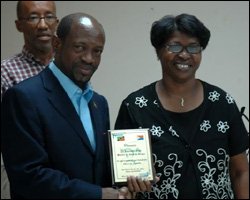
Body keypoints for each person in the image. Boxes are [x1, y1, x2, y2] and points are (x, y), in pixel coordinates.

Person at [1, 12, 152, 199]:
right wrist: (97, 195)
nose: (89, 58)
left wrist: (129, 180)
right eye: (80, 47)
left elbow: (97, 169)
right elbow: (28, 176)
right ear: (57, 45)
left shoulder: (99, 103)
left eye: (97, 51)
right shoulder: (23, 97)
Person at [115, 13, 249, 199]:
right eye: (174, 46)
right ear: (158, 51)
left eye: (193, 47)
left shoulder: (222, 103)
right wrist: (130, 180)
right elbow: (124, 178)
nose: (185, 55)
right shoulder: (135, 107)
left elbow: (240, 171)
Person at [1, 1, 58, 199]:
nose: (43, 25)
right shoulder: (5, 72)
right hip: (26, 177)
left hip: (69, 177)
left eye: (49, 17)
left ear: (56, 22)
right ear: (19, 25)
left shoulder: (69, 69)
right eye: (33, 17)